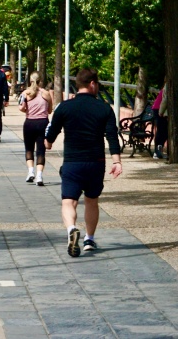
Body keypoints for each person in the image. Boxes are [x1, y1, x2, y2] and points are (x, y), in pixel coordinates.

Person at [44, 68, 122, 257]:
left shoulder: (64, 107)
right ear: (92, 84)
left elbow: (50, 137)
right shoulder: (104, 108)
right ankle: (89, 239)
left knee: (68, 201)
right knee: (91, 201)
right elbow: (112, 136)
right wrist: (117, 161)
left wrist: (48, 142)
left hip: (72, 163)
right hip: (96, 162)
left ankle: (71, 229)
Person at [20, 71, 53, 185]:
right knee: (41, 150)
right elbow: (50, 110)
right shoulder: (46, 93)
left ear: (30, 81)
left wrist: (28, 110)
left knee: (29, 148)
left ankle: (30, 172)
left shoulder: (26, 93)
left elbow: (21, 108)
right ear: (40, 81)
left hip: (29, 123)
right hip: (43, 123)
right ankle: (39, 176)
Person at [152, 80, 168, 159]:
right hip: (159, 108)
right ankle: (157, 151)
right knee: (162, 130)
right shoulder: (168, 85)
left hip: (158, 108)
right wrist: (161, 112)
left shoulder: (166, 85)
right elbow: (165, 100)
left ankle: (158, 149)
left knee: (163, 131)